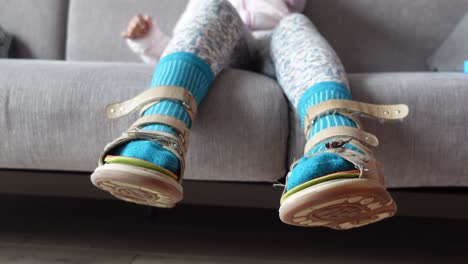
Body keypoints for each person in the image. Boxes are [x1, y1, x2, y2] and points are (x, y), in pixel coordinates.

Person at [90, 0, 408, 230]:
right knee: (212, 9)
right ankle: (158, 132)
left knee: (294, 25)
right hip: (223, 52)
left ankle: (338, 144)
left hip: (277, 47)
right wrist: (147, 41)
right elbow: (183, 47)